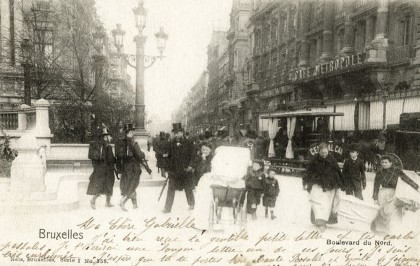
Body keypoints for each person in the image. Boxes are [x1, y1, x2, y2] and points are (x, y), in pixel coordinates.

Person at [303, 142, 346, 232]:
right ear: (318, 152)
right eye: (322, 153)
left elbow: (337, 171)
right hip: (318, 183)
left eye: (325, 153)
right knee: (319, 203)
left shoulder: (332, 159)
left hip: (330, 184)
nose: (324, 155)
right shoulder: (314, 160)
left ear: (328, 151)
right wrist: (305, 182)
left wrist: (341, 184)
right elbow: (308, 172)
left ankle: (325, 220)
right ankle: (319, 221)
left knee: (328, 204)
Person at [371, 155, 420, 233]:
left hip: (393, 193)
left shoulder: (396, 170)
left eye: (386, 162)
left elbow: (406, 178)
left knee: (394, 211)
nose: (384, 164)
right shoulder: (379, 172)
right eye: (382, 162)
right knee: (383, 212)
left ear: (390, 163)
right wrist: (375, 198)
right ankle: (383, 229)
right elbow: (376, 185)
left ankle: (395, 229)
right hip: (382, 194)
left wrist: (416, 187)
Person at [162, 123, 195, 213]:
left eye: (178, 132)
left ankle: (191, 204)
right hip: (174, 171)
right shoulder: (170, 144)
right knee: (171, 189)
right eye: (175, 133)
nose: (176, 135)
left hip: (185, 170)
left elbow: (193, 156)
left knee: (188, 188)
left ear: (182, 132)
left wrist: (190, 166)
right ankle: (167, 208)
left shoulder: (189, 143)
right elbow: (167, 156)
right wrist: (167, 169)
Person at [117, 123, 146, 212]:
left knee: (129, 184)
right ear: (129, 132)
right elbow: (139, 155)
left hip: (125, 167)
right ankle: (122, 201)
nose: (132, 133)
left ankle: (135, 205)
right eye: (131, 131)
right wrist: (143, 153)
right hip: (133, 167)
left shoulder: (121, 142)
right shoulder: (133, 143)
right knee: (133, 184)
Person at [87, 127, 116, 209]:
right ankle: (94, 201)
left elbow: (110, 158)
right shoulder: (103, 146)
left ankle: (106, 202)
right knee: (102, 185)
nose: (110, 138)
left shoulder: (106, 146)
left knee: (106, 185)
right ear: (104, 137)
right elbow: (109, 158)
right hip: (104, 169)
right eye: (108, 136)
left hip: (105, 169)